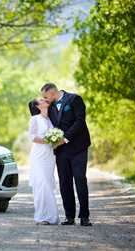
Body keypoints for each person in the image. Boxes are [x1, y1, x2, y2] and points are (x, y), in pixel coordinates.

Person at [41, 83, 92, 226]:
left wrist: (65, 138)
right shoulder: (49, 106)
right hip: (61, 150)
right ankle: (69, 216)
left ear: (52, 92)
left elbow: (80, 121)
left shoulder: (74, 99)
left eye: (45, 96)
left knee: (80, 179)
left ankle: (84, 216)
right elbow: (32, 108)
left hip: (79, 147)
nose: (44, 99)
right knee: (65, 183)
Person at [28, 98, 60, 225]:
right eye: (41, 100)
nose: (44, 100)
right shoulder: (35, 119)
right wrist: (49, 140)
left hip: (50, 155)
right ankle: (42, 216)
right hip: (39, 155)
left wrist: (56, 140)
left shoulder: (51, 119)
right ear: (37, 106)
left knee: (49, 182)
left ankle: (51, 216)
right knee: (42, 184)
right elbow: (32, 137)